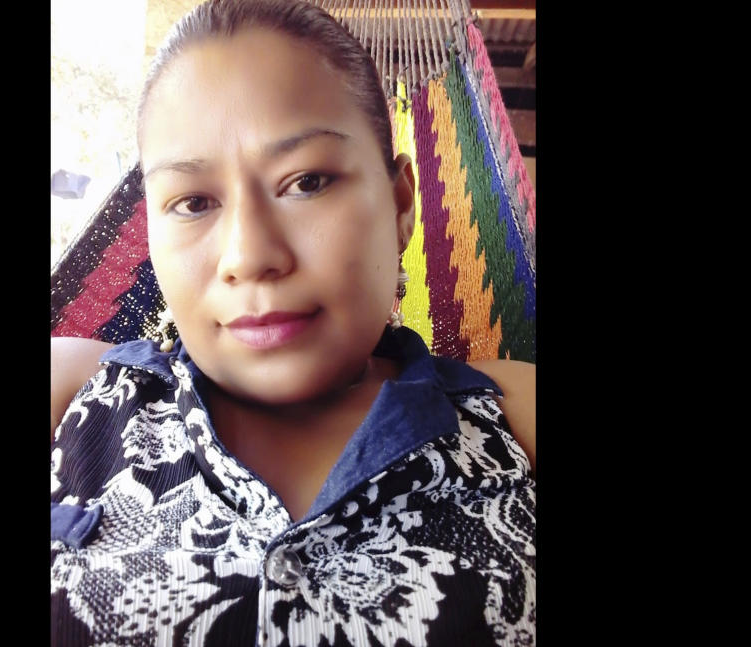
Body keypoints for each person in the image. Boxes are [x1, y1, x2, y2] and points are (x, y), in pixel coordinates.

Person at [50, 1, 535, 645]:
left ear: (399, 206)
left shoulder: (514, 415)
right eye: (193, 202)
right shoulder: (72, 390)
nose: (249, 256)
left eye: (305, 181)